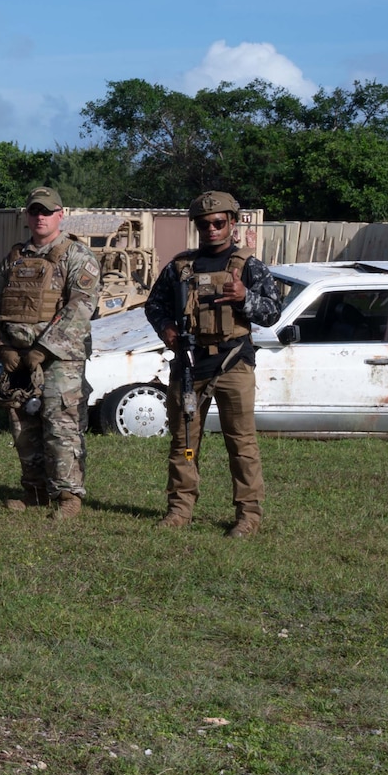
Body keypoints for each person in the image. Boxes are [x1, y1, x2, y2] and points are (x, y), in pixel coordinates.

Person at [144, 190, 283, 537]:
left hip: (233, 362)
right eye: (204, 224)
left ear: (232, 224)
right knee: (184, 441)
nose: (211, 229)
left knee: (241, 442)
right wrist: (167, 330)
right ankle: (180, 509)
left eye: (219, 222)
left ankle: (248, 515)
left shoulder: (249, 266)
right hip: (190, 365)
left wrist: (245, 298)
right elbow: (154, 306)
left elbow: (272, 312)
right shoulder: (180, 267)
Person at [0, 186, 100, 517]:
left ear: (60, 214)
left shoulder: (77, 256)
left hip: (59, 361)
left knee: (61, 425)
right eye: (35, 211)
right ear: (27, 216)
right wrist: (0, 346)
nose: (40, 216)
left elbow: (81, 306)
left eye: (47, 211)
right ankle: (34, 490)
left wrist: (43, 350)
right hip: (16, 358)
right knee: (23, 425)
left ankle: (68, 496)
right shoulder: (15, 257)